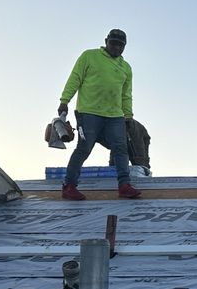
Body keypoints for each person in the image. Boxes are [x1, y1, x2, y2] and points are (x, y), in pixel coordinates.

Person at [57, 29, 142, 200]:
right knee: (84, 148)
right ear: (106, 41)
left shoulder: (126, 68)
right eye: (113, 43)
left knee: (121, 148)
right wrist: (64, 100)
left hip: (115, 115)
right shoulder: (89, 56)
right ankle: (69, 186)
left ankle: (124, 185)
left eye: (121, 45)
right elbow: (75, 78)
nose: (117, 48)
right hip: (88, 112)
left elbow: (126, 94)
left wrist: (128, 116)